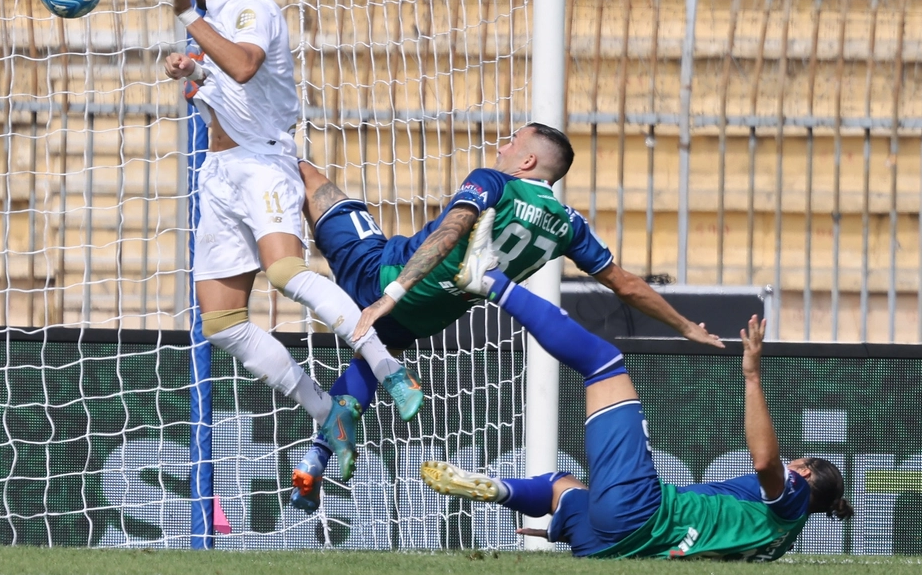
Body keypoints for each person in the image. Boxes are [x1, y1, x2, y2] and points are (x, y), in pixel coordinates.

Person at [289, 123, 725, 511]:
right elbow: (626, 284)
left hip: (381, 273)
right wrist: (687, 327)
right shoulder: (568, 224)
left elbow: (450, 231)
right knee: (373, 357)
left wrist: (391, 293)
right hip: (432, 314)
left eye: (512, 141)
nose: (502, 147)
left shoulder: (493, 184)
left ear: (528, 159)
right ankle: (317, 458)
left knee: (300, 171)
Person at [162, 0, 417, 480]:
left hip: (262, 162)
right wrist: (194, 71)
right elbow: (235, 86)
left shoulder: (249, 6)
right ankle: (328, 416)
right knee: (224, 325)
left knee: (284, 271)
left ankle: (388, 368)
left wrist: (187, 17)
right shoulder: (217, 18)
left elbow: (247, 66)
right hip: (221, 172)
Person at [420, 240, 854, 560]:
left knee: (603, 362)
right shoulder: (777, 545)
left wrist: (752, 373)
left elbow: (764, 462)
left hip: (643, 515)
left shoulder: (792, 492)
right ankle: (499, 489)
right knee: (561, 487)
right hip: (617, 546)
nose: (787, 465)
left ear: (803, 470)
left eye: (794, 462)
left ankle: (491, 281)